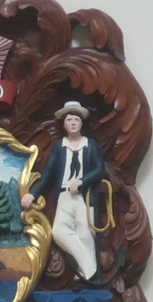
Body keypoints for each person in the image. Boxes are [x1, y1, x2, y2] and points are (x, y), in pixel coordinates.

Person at [20, 100, 106, 285]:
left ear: (81, 123)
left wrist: (82, 181)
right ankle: (91, 271)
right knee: (58, 232)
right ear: (64, 124)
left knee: (85, 234)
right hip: (65, 196)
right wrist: (32, 194)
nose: (73, 122)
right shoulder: (59, 148)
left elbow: (100, 170)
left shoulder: (90, 145)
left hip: (84, 197)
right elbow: (47, 175)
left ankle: (82, 276)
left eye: (76, 119)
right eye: (69, 120)